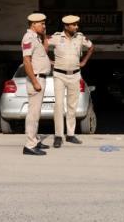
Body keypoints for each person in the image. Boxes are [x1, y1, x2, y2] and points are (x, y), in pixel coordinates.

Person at [48, 15, 94, 148]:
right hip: (59, 75)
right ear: (66, 26)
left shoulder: (80, 37)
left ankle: (70, 134)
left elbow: (91, 47)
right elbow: (43, 44)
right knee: (58, 106)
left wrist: (84, 61)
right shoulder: (57, 37)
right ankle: (58, 136)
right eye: (74, 25)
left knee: (72, 106)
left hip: (75, 75)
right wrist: (48, 60)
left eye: (77, 24)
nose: (76, 27)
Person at [21, 13, 52, 156]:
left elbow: (46, 51)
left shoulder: (37, 38)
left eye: (44, 23)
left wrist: (45, 36)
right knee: (33, 114)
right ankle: (30, 145)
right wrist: (34, 81)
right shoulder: (28, 38)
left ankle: (35, 140)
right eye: (42, 24)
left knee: (37, 113)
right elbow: (26, 61)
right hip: (36, 79)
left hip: (41, 78)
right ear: (33, 24)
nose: (44, 26)